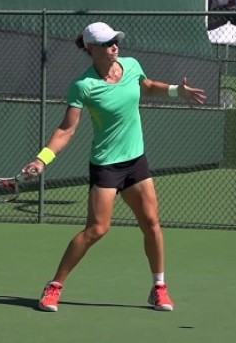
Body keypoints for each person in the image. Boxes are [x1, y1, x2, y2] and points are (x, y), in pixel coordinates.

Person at [22, 22, 206, 313]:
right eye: (108, 43)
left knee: (152, 224)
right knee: (97, 229)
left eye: (116, 41)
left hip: (136, 162)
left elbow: (146, 86)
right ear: (92, 49)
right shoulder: (83, 86)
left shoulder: (131, 66)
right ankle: (54, 286)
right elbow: (67, 130)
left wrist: (175, 91)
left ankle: (159, 288)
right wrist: (42, 159)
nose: (115, 47)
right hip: (106, 166)